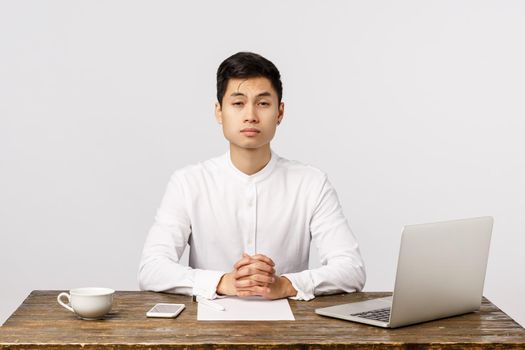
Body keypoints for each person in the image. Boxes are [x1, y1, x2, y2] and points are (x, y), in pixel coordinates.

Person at [138, 52, 366, 301]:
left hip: (292, 332)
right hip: (208, 328)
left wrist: (287, 285)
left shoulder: (311, 183)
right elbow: (151, 268)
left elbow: (351, 269)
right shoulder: (188, 183)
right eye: (238, 103)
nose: (250, 116)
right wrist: (222, 282)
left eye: (263, 103)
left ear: (280, 113)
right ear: (219, 112)